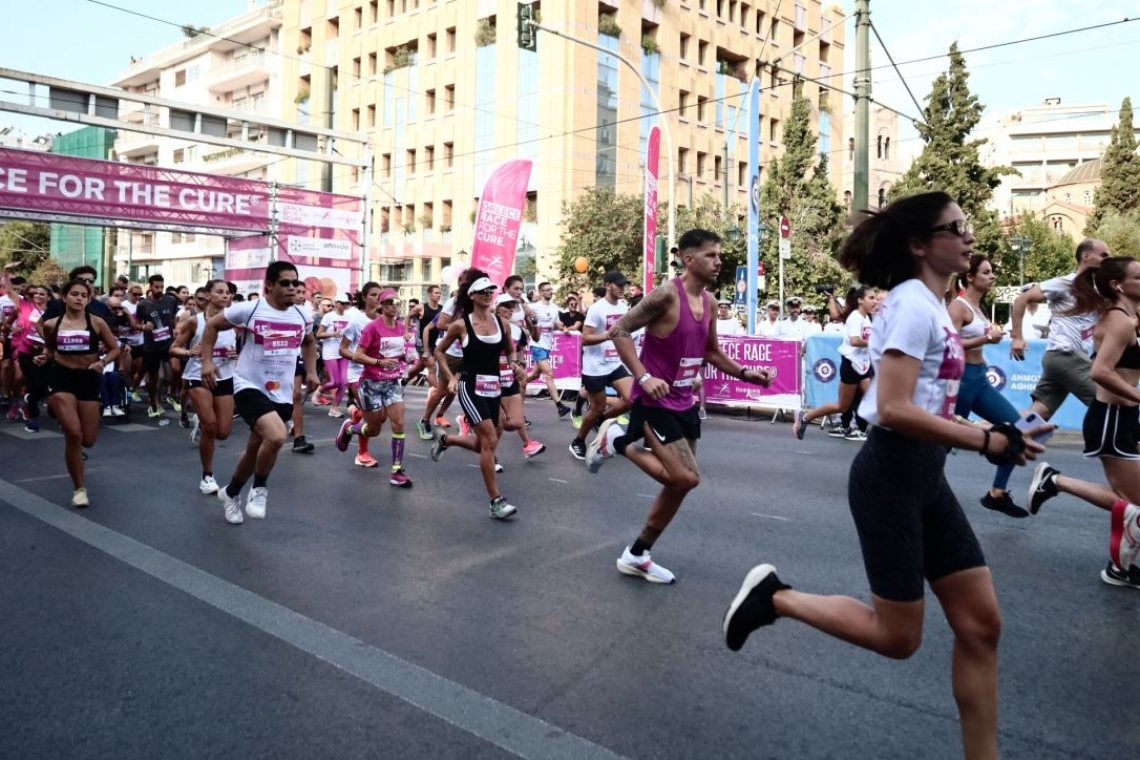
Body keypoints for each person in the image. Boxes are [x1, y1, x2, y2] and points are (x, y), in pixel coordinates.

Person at [722, 192, 1048, 760]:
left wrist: (1004, 427)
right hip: (892, 471)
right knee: (898, 638)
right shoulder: (910, 305)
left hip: (926, 475)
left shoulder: (933, 305)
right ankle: (775, 598)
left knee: (981, 625)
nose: (970, 236)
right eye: (957, 227)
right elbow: (892, 407)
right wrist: (987, 439)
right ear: (921, 244)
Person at [587, 230, 773, 583]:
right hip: (654, 402)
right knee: (686, 477)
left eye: (719, 255)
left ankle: (637, 554)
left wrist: (747, 373)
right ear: (689, 260)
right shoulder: (665, 295)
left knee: (679, 485)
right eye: (711, 255)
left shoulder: (712, 303)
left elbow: (711, 352)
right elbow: (622, 331)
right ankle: (619, 441)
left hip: (684, 402)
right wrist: (642, 377)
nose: (718, 261)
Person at [1025, 256, 1140, 589]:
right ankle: (1056, 481)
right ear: (1119, 285)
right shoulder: (1118, 321)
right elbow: (1099, 372)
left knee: (1132, 500)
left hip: (1124, 418)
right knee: (1134, 502)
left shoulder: (1128, 318)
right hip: (1111, 420)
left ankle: (1123, 564)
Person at [200, 262, 319, 524]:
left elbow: (310, 343)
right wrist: (207, 362)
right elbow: (211, 326)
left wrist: (311, 371)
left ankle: (230, 493)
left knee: (255, 449)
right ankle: (260, 489)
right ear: (270, 285)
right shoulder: (250, 309)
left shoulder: (302, 316)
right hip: (249, 385)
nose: (292, 288)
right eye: (285, 283)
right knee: (276, 437)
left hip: (283, 392)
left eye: (295, 283)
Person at [431, 276, 525, 519]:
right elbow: (439, 351)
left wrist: (514, 363)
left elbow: (510, 348)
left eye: (490, 290)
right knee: (490, 440)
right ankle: (496, 501)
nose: (487, 293)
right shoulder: (460, 325)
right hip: (470, 386)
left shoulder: (502, 323)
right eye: (482, 291)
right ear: (471, 296)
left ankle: (447, 440)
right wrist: (451, 377)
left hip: (494, 388)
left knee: (486, 442)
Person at [949, 255, 1028, 518]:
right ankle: (915, 492)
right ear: (970, 277)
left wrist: (989, 335)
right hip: (959, 380)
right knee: (941, 444)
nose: (992, 276)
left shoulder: (978, 306)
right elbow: (946, 345)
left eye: (992, 271)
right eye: (986, 272)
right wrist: (985, 337)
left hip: (979, 380)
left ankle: (997, 493)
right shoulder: (958, 307)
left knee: (1017, 428)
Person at [41, 279, 121, 507]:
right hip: (61, 379)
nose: (79, 298)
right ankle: (79, 489)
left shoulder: (96, 323)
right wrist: (43, 357)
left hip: (88, 379)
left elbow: (115, 348)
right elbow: (49, 349)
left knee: (88, 439)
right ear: (64, 297)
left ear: (88, 299)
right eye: (74, 294)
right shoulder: (51, 324)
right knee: (74, 434)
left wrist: (102, 362)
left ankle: (69, 424)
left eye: (83, 295)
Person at [1010, 239, 1110, 420]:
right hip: (1066, 355)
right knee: (1108, 402)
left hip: (1061, 358)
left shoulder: (1098, 290)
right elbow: (1021, 300)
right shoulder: (1064, 283)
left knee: (1039, 414)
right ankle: (1128, 446)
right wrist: (1017, 337)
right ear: (1086, 256)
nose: (1107, 260)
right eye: (1103, 255)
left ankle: (981, 430)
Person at [337, 287, 414, 486]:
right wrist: (378, 363)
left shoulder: (399, 327)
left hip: (392, 382)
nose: (394, 306)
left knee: (398, 423)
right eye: (389, 302)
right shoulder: (372, 327)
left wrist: (406, 356)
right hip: (371, 383)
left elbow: (396, 353)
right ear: (381, 306)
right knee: (374, 429)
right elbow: (357, 355)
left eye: (397, 302)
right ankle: (349, 429)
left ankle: (397, 471)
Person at [172, 280, 237, 495]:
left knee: (223, 433)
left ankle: (202, 418)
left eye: (228, 293)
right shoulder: (194, 321)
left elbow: (245, 345)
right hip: (197, 376)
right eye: (220, 292)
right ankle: (207, 476)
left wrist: (237, 354)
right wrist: (189, 353)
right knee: (210, 427)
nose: (225, 296)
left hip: (225, 376)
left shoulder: (235, 320)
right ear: (208, 295)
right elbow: (174, 348)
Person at [793, 286, 876, 441]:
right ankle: (806, 416)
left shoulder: (865, 317)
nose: (875, 301)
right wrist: (876, 344)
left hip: (862, 365)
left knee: (872, 398)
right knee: (842, 406)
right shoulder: (855, 317)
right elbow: (854, 340)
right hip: (851, 366)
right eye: (871, 298)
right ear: (860, 300)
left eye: (875, 298)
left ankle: (885, 434)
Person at [569, 271, 634, 460]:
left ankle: (602, 421)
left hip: (614, 364)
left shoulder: (623, 307)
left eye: (624, 285)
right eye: (619, 285)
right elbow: (585, 338)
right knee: (596, 408)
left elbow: (625, 333)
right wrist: (607, 335)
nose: (623, 289)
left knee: (632, 399)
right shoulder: (597, 309)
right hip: (595, 367)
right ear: (608, 285)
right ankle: (578, 441)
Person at [337, 283, 382, 466]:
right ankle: (362, 454)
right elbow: (343, 349)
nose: (377, 298)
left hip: (379, 373)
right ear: (364, 297)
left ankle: (351, 423)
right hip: (358, 374)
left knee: (381, 418)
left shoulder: (385, 320)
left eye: (380, 295)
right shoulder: (356, 321)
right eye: (373, 295)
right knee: (370, 418)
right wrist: (358, 357)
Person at [134, 274, 181, 419]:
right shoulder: (143, 305)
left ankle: (172, 395)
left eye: (161, 286)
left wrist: (175, 328)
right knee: (155, 378)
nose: (159, 289)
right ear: (150, 287)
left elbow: (173, 319)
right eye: (156, 287)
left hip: (168, 344)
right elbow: (135, 324)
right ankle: (153, 403)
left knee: (175, 369)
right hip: (151, 346)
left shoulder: (170, 300)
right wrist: (143, 326)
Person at [526, 281, 571, 417]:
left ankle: (517, 384)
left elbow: (556, 324)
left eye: (551, 289)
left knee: (535, 375)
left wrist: (562, 326)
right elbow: (526, 321)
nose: (550, 292)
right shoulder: (533, 307)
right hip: (536, 344)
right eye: (547, 290)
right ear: (540, 292)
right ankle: (559, 405)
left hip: (547, 345)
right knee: (549, 374)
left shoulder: (554, 307)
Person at [316, 293, 352, 418]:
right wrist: (332, 334)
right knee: (335, 382)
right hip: (330, 352)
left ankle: (334, 408)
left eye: (346, 304)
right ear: (336, 303)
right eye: (342, 303)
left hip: (343, 351)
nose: (343, 306)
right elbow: (319, 334)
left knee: (343, 382)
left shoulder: (349, 317)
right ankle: (319, 390)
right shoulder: (328, 316)